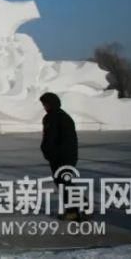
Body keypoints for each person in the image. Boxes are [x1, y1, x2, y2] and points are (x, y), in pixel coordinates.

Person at [39, 92, 80, 220]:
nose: (44, 106)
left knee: (65, 183)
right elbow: (48, 138)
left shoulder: (63, 118)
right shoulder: (48, 118)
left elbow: (68, 141)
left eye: (45, 104)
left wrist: (58, 154)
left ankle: (74, 211)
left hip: (65, 157)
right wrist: (47, 151)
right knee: (61, 183)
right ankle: (80, 205)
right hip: (54, 157)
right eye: (43, 104)